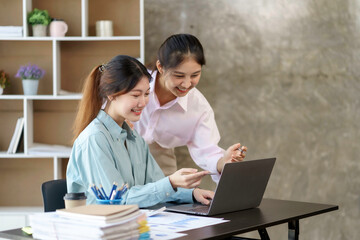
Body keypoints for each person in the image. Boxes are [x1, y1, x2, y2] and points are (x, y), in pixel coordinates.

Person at [66, 55, 214, 207]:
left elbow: (155, 185)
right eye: (136, 95)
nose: (143, 103)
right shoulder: (94, 140)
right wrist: (170, 182)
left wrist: (192, 193)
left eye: (146, 94)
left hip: (133, 222)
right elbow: (117, 201)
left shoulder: (134, 137)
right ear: (111, 95)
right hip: (100, 226)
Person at [133, 34, 247, 181]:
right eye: (179, 75)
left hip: (162, 165)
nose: (186, 84)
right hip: (119, 155)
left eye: (195, 75)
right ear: (160, 67)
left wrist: (224, 162)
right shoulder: (133, 84)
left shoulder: (199, 107)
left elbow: (207, 151)